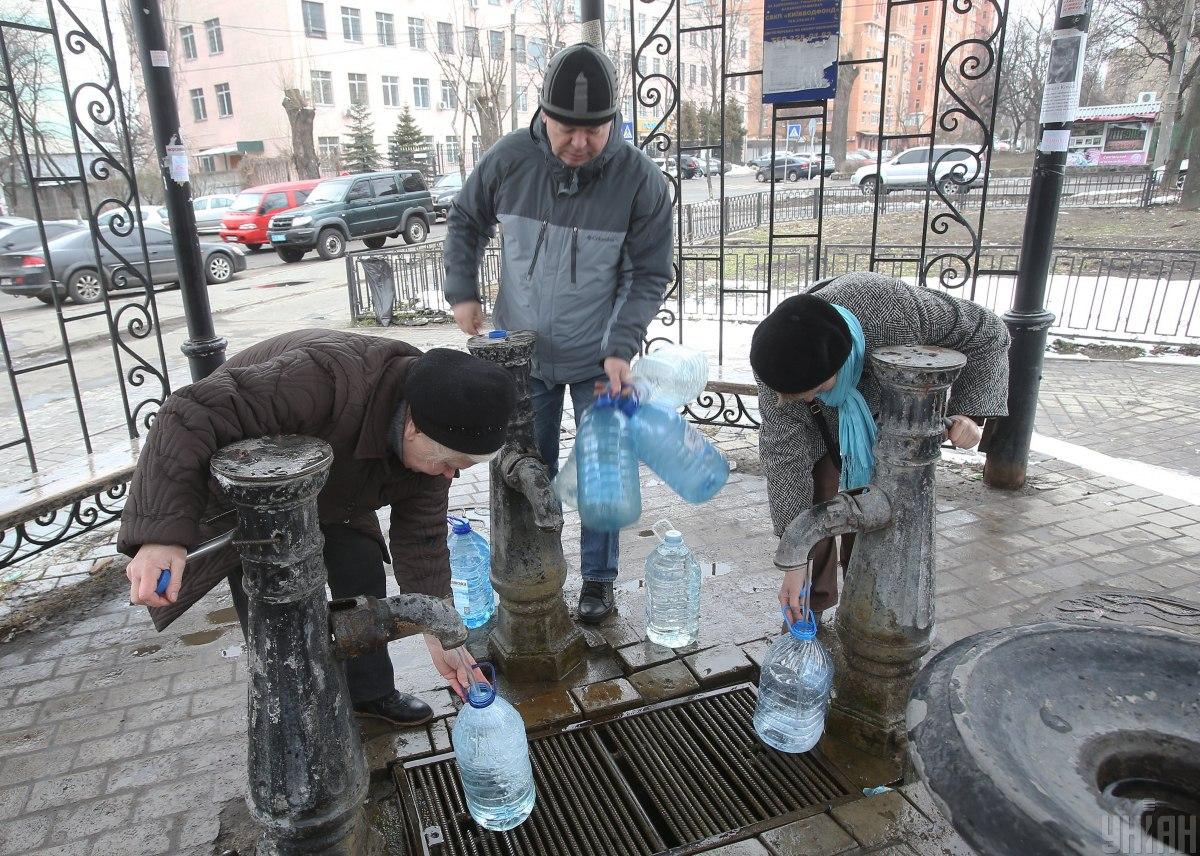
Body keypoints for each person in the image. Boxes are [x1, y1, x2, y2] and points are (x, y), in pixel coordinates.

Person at [119, 330, 517, 727]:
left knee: (361, 564)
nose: (451, 475)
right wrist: (161, 537)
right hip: (251, 486)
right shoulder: (322, 380)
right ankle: (290, 713)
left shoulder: (437, 434)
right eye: (452, 463)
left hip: (329, 484)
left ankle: (370, 694)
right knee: (268, 601)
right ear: (413, 427)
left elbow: (423, 540)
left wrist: (439, 632)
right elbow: (187, 414)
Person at [443, 42, 673, 624]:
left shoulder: (641, 182)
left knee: (601, 471)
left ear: (614, 121)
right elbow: (465, 219)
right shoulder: (509, 160)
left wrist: (622, 348)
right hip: (521, 358)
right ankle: (532, 569)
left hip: (600, 358)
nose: (578, 143)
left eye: (593, 132)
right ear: (543, 116)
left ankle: (598, 579)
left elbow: (649, 274)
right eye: (566, 129)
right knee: (527, 463)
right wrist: (463, 291)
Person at [749, 272, 1011, 624]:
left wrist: (969, 414)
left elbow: (988, 332)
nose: (805, 398)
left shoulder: (893, 310)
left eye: (812, 389)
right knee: (815, 498)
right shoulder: (778, 363)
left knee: (878, 511)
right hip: (820, 427)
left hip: (889, 423)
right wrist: (793, 558)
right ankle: (809, 605)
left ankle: (867, 602)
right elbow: (785, 459)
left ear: (840, 363)